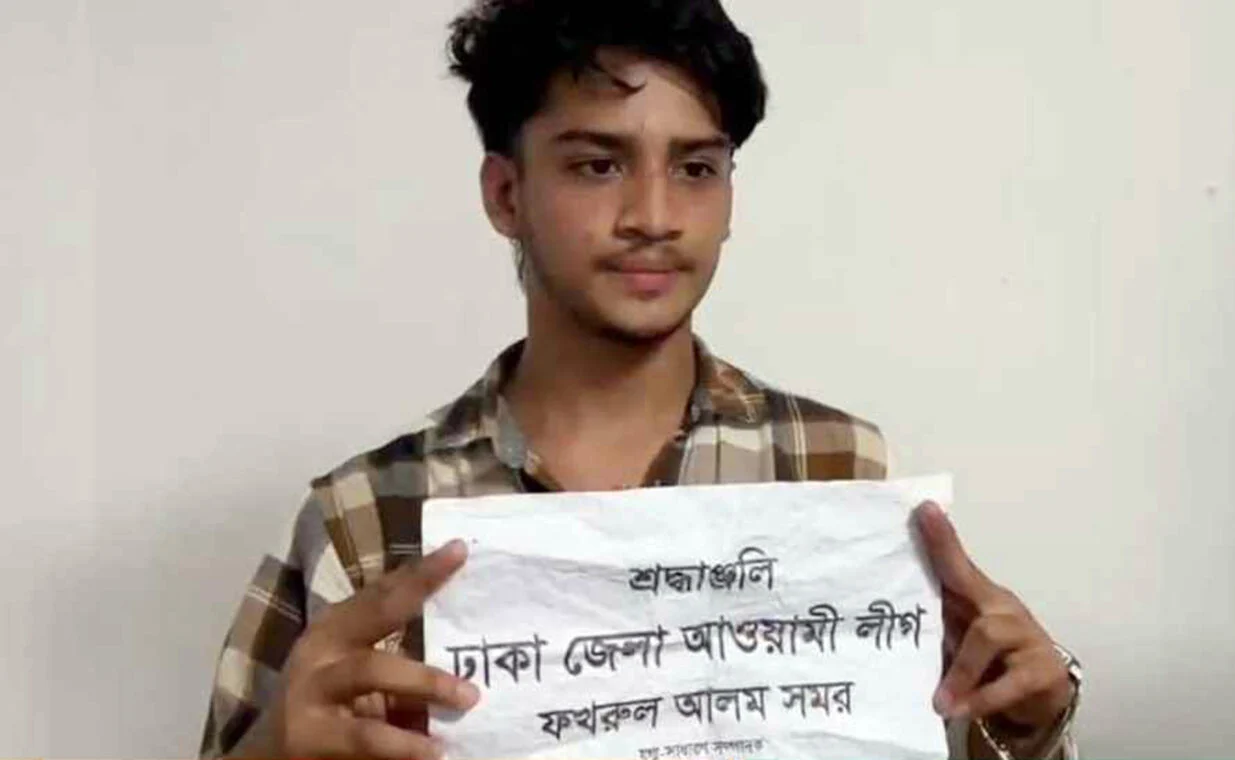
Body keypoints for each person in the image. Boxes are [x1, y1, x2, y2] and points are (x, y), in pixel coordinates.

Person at [199, 1, 1082, 758]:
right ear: (506, 195)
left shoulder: (837, 473)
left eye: (696, 168)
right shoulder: (365, 519)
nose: (654, 217)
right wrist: (270, 751)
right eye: (598, 164)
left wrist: (1029, 722)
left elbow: (918, 735)